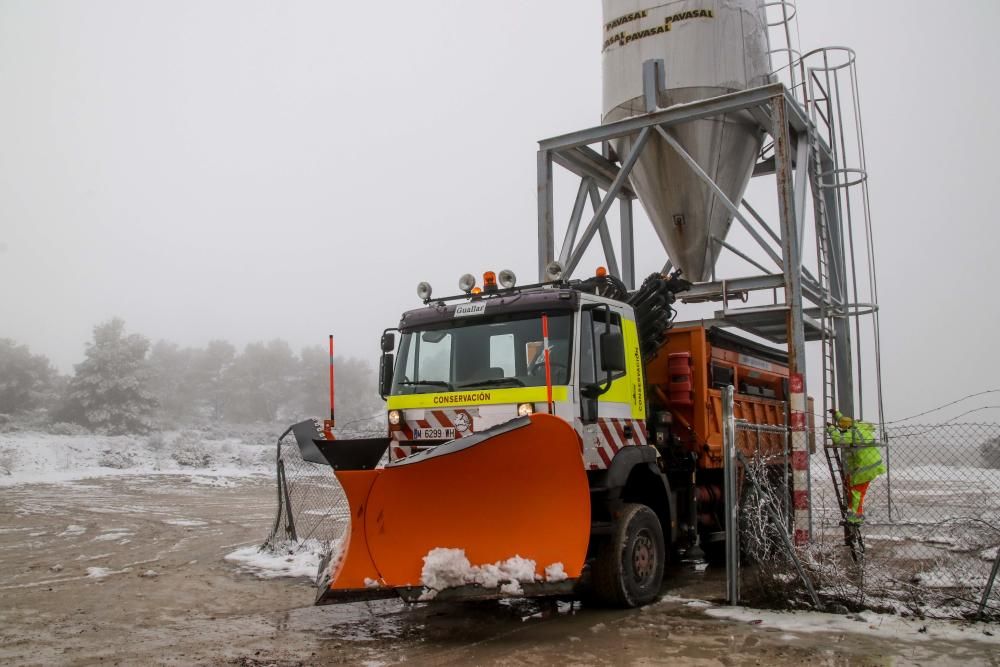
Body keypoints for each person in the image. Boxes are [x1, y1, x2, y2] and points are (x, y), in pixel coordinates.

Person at [827, 410, 886, 525]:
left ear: (847, 429)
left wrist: (832, 430)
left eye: (842, 430)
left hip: (864, 468)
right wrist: (837, 415)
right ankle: (853, 513)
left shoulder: (852, 434)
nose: (842, 431)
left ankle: (855, 517)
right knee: (852, 486)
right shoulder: (860, 427)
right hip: (872, 465)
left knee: (856, 492)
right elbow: (845, 421)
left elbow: (838, 439)